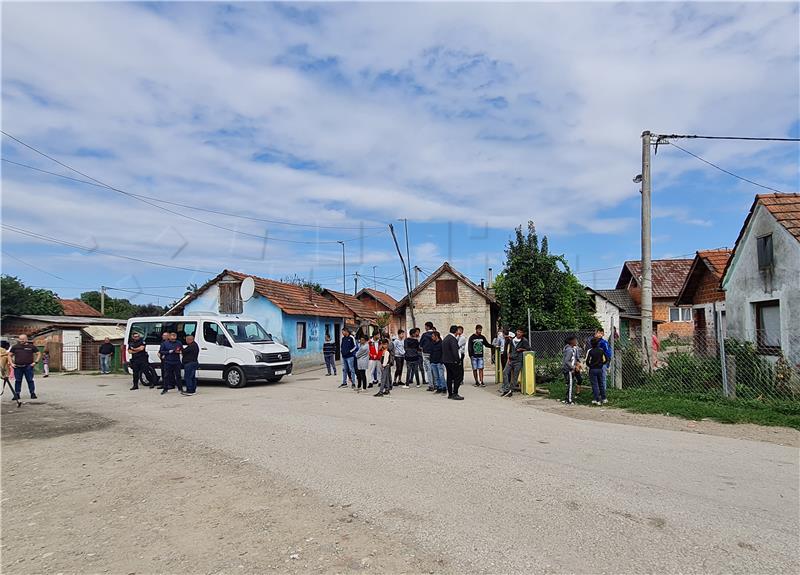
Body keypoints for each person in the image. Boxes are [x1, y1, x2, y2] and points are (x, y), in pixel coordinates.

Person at [9, 334, 41, 400]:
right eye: (20, 339)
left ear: (26, 339)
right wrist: (11, 363)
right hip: (17, 367)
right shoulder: (15, 347)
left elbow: (39, 353)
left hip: (28, 367)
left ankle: (32, 393)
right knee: (18, 381)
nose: (21, 341)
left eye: (23, 339)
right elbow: (9, 355)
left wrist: (35, 362)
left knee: (30, 380)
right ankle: (17, 394)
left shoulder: (31, 346)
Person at [501, 328, 530, 398]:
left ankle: (511, 390)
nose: (519, 333)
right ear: (516, 332)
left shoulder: (524, 341)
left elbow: (529, 349)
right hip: (511, 359)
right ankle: (507, 389)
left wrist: (522, 349)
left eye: (520, 332)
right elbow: (510, 350)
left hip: (518, 361)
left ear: (522, 333)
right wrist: (508, 358)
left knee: (515, 377)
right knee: (505, 372)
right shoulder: (512, 340)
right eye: (518, 332)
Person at [442, 325, 463, 400]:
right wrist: (458, 361)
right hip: (452, 361)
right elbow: (455, 351)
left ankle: (450, 393)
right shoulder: (452, 339)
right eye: (458, 330)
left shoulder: (446, 338)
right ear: (456, 331)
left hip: (446, 360)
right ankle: (455, 393)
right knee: (458, 377)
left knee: (449, 377)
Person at [585, 337, 608, 405]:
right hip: (600, 369)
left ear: (591, 344)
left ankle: (597, 399)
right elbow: (605, 359)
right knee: (601, 384)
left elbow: (587, 361)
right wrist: (601, 364)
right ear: (598, 344)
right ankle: (604, 398)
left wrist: (590, 366)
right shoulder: (601, 350)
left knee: (595, 384)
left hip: (593, 369)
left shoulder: (591, 351)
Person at [562, 335, 580, 405]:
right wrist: (573, 367)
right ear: (571, 342)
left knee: (569, 384)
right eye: (575, 340)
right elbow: (567, 361)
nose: (576, 342)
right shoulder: (569, 350)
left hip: (568, 369)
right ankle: (569, 400)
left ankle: (567, 398)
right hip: (569, 370)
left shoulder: (570, 349)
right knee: (570, 385)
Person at [419, 322, 435, 389]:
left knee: (428, 369)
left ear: (428, 327)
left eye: (425, 326)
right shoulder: (435, 334)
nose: (425, 328)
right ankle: (436, 383)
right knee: (434, 368)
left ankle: (431, 385)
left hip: (426, 353)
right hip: (434, 353)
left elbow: (420, 345)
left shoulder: (424, 335)